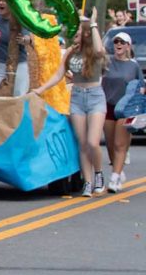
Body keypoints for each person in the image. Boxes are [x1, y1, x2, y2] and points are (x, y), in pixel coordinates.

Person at [33, 12, 109, 196]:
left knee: (93, 142)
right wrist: (40, 89)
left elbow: (100, 50)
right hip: (77, 97)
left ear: (84, 35)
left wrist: (92, 25)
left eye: (76, 34)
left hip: (95, 97)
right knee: (82, 143)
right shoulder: (70, 52)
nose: (73, 37)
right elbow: (59, 75)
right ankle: (88, 183)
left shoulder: (93, 52)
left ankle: (98, 174)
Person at [103, 31, 144, 193]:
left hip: (125, 108)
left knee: (120, 144)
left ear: (128, 46)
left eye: (121, 42)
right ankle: (118, 171)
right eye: (116, 42)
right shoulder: (107, 62)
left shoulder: (134, 66)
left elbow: (140, 86)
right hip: (108, 106)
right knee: (110, 144)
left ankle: (114, 177)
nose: (118, 44)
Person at [0, 0, 32, 97]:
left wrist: (24, 40)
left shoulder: (20, 21)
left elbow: (28, 38)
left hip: (18, 64)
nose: (1, 3)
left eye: (4, 1)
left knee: (19, 95)